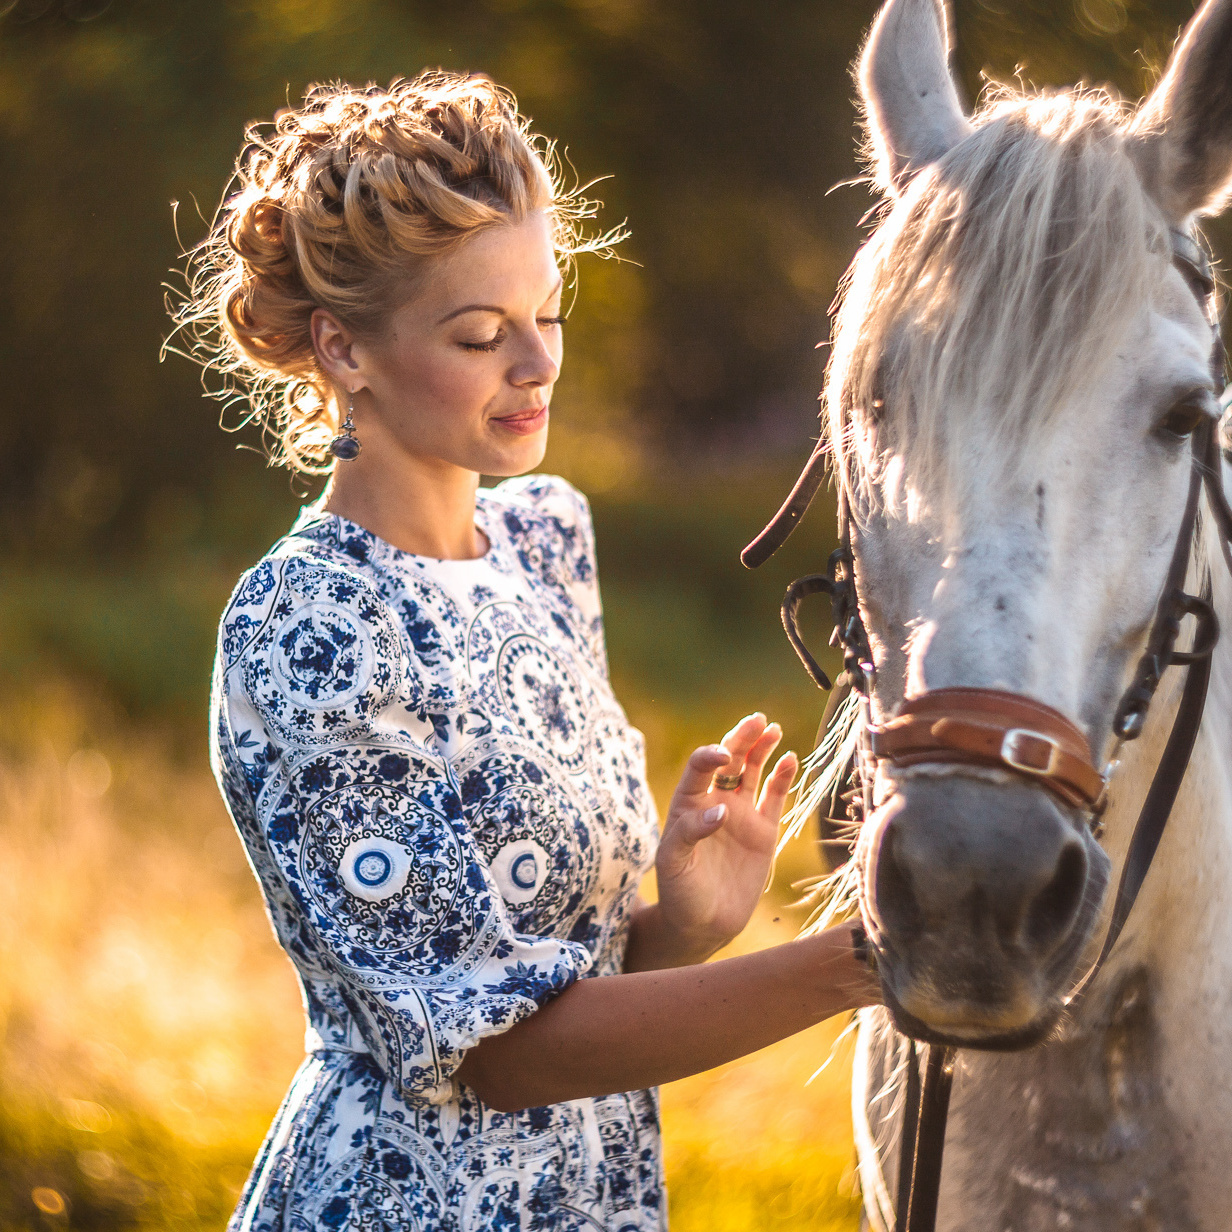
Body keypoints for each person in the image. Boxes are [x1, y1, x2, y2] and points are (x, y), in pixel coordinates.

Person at [178, 71, 880, 1232]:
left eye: (546, 314)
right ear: (341, 348)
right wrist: (856, 960)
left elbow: (567, 983)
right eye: (477, 333)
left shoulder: (542, 539)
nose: (538, 363)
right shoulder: (308, 626)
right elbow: (494, 1052)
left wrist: (683, 921)